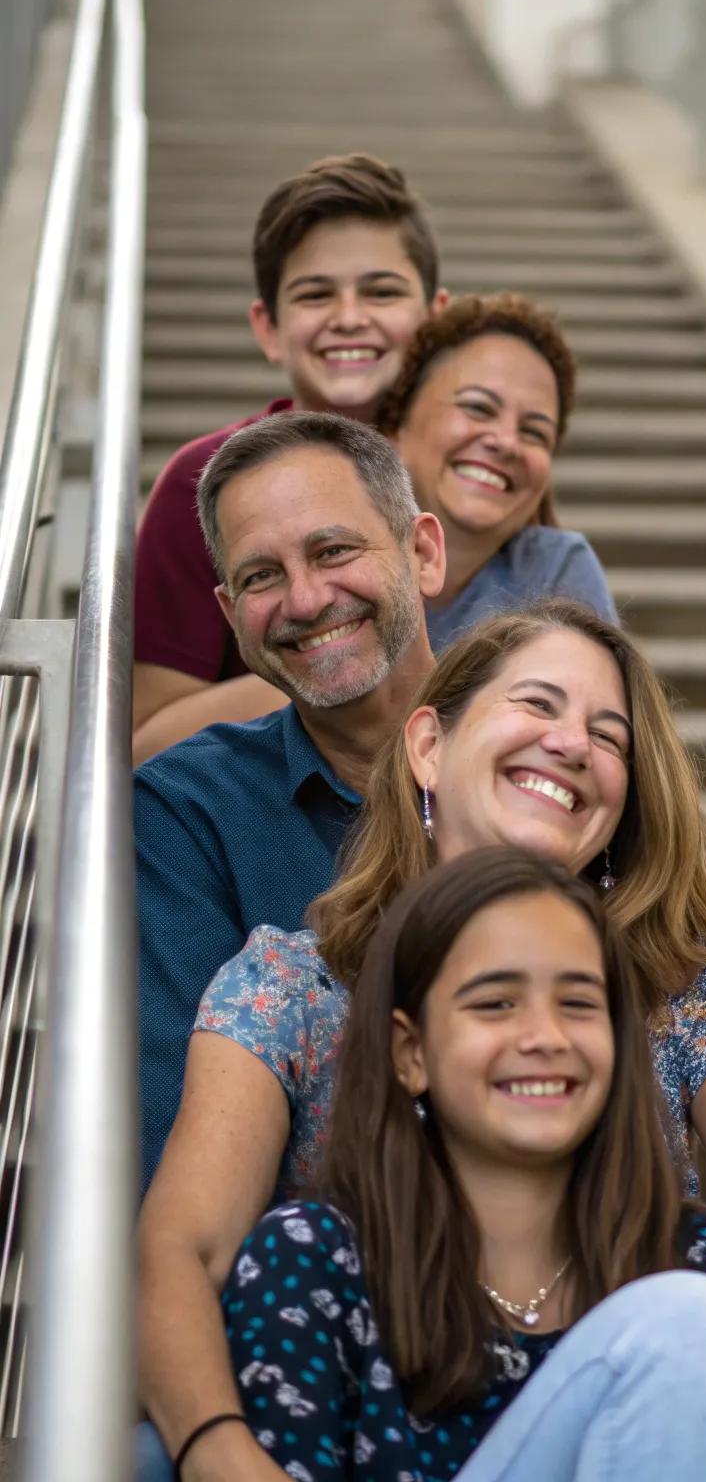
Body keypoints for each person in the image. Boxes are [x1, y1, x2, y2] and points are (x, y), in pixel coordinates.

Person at [139, 602, 706, 1479]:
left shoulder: (682, 992)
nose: (573, 745)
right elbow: (184, 1252)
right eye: (536, 705)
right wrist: (216, 1443)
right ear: (428, 747)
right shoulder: (294, 988)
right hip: (381, 1401)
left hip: (646, 1388)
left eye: (610, 736)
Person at [214, 847, 706, 1481]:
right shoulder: (311, 1264)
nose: (545, 1037)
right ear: (409, 1052)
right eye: (496, 1003)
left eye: (580, 1004)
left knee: (701, 1322)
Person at [134, 410, 445, 1189]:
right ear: (229, 615)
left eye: (334, 550)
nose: (304, 600)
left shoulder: (548, 758)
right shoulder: (184, 812)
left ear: (424, 553)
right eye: (260, 576)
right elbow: (180, 1164)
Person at [132, 153, 449, 763]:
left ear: (436, 319)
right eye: (314, 294)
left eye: (381, 291)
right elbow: (142, 742)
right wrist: (333, 655)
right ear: (269, 326)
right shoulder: (201, 484)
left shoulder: (471, 476)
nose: (349, 317)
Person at [376, 292, 616, 650]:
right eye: (478, 407)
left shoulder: (558, 571)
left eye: (534, 432)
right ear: (398, 428)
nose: (506, 442)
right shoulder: (338, 560)